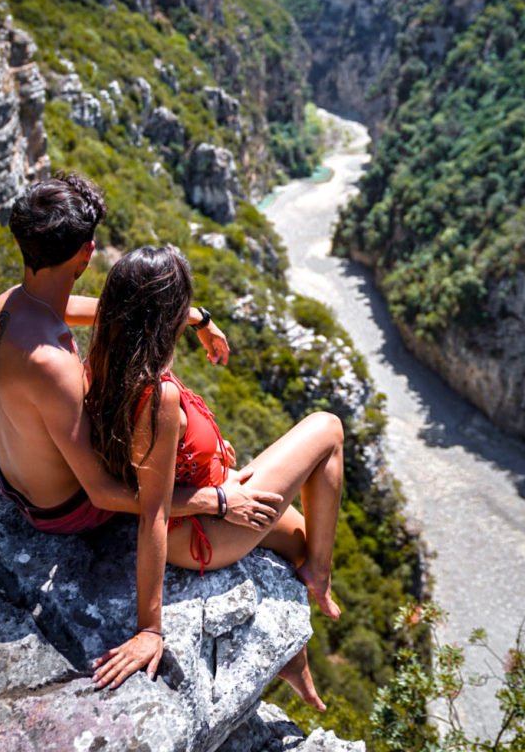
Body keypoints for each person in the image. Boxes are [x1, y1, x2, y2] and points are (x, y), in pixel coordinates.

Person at [86, 245, 343, 709]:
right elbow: (153, 514)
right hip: (198, 531)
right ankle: (320, 578)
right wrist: (149, 628)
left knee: (300, 538)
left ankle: (292, 658)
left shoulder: (110, 348)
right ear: (163, 317)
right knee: (327, 428)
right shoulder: (159, 395)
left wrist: (202, 321)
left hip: (208, 492)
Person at [0, 172, 237, 531]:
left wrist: (195, 318)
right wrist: (217, 500)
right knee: (160, 390)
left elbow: (115, 308)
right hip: (65, 509)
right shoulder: (52, 365)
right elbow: (102, 493)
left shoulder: (4, 307)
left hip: (11, 480)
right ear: (86, 254)